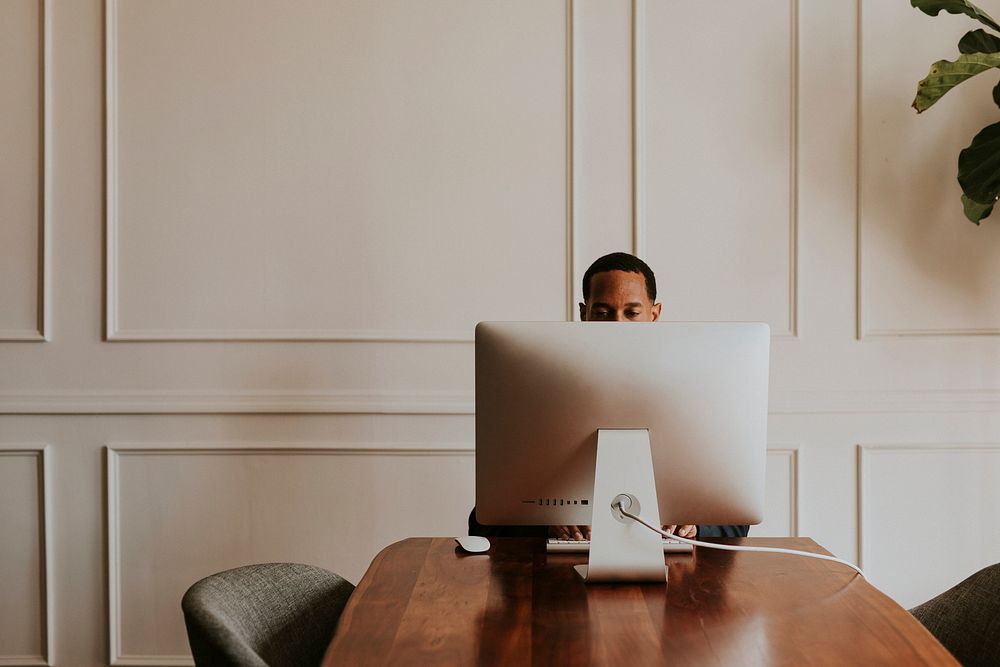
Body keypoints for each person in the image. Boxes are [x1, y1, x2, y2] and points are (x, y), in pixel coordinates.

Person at [468, 252, 750, 540]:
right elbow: (486, 520)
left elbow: (738, 520)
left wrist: (696, 524)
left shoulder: (696, 390)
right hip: (565, 560)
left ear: (654, 315)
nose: (617, 325)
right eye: (603, 313)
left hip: (670, 559)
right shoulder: (540, 389)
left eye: (632, 313)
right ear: (584, 314)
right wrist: (546, 522)